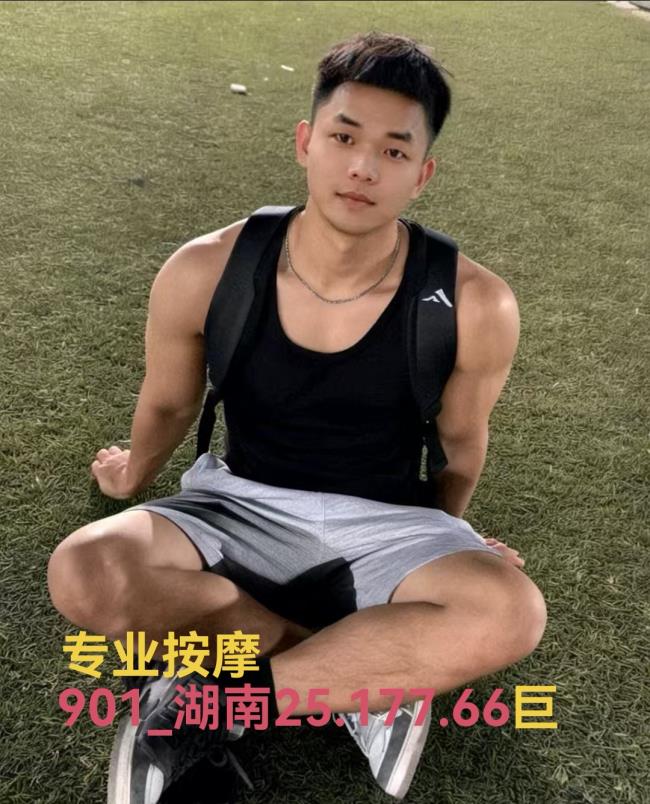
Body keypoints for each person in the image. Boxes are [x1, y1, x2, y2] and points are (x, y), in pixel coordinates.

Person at [47, 31, 547, 804]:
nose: (363, 167)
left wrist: (450, 540)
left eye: (393, 150)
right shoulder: (206, 268)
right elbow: (170, 400)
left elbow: (459, 441)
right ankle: (368, 676)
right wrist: (130, 476)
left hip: (385, 522)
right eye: (345, 138)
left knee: (512, 612)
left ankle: (209, 707)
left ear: (422, 173)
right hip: (236, 507)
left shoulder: (476, 302)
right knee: (84, 571)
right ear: (306, 141)